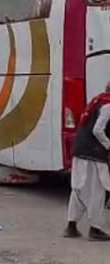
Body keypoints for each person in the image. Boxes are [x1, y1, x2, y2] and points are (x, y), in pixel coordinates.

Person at [64, 82, 110, 240]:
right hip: (95, 153)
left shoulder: (97, 100)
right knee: (99, 190)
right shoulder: (108, 106)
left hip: (80, 149)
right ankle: (95, 229)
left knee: (79, 188)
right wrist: (108, 145)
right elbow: (98, 129)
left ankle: (71, 225)